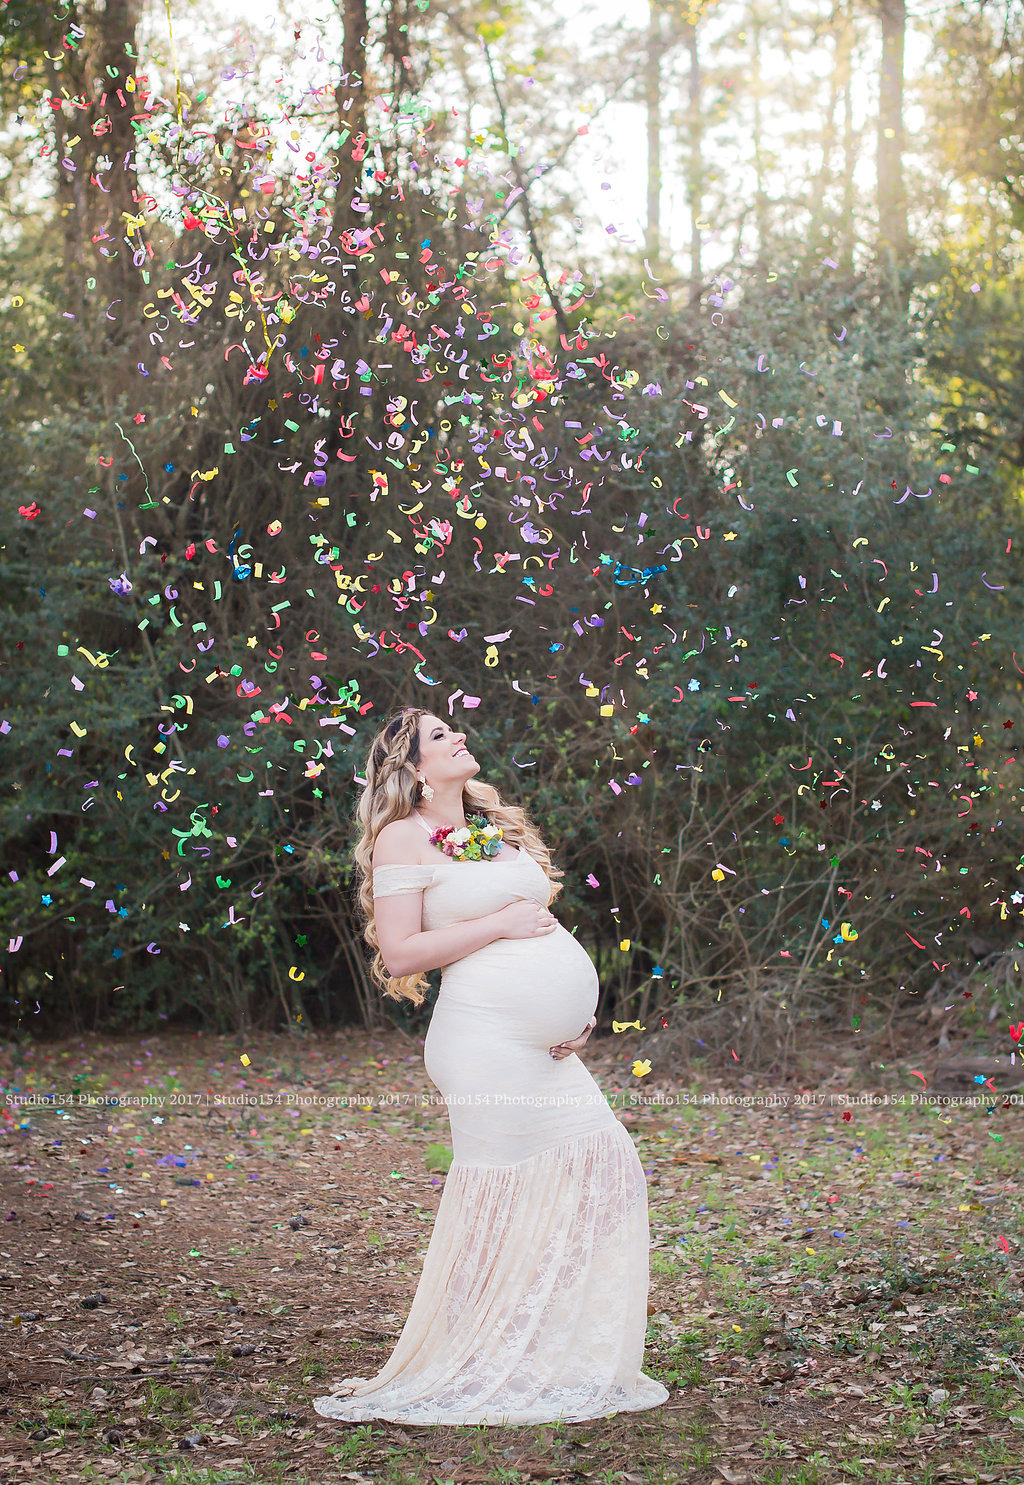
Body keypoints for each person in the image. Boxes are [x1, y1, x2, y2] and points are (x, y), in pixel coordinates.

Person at [312, 707, 669, 1427]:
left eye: (455, 727)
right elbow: (404, 951)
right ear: (411, 766)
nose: (458, 737)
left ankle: (534, 1340)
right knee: (495, 1201)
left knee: (611, 1173)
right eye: (440, 735)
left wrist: (573, 1008)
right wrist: (502, 927)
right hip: (482, 1043)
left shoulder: (488, 829)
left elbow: (537, 919)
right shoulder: (401, 837)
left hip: (539, 1045)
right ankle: (474, 1353)